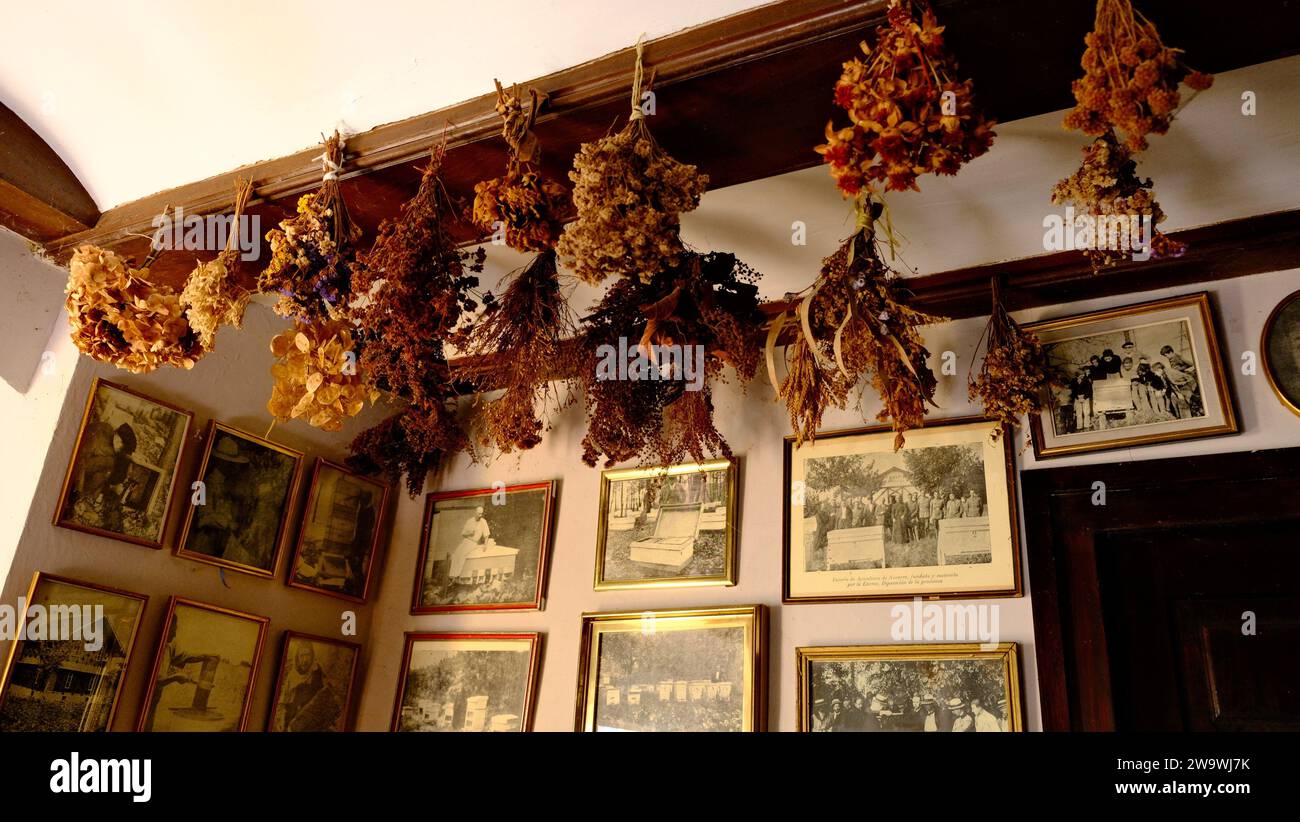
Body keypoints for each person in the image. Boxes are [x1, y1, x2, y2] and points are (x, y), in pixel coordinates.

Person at [449, 506, 491, 581]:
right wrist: (469, 533)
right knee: (455, 555)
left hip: (473, 543)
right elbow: (463, 534)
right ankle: (451, 576)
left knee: (462, 554)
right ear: (475, 512)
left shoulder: (483, 522)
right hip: (466, 540)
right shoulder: (470, 521)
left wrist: (485, 545)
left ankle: (457, 575)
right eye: (479, 513)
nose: (480, 515)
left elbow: (487, 534)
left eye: (481, 514)